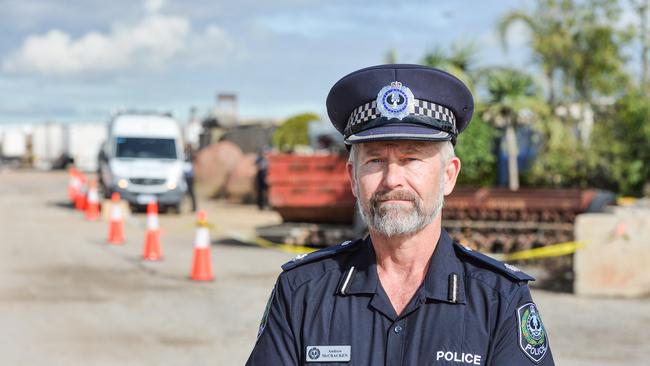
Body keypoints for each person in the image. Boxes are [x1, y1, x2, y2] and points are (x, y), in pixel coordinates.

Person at [246, 64, 554, 365]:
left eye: (411, 159)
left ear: (448, 175)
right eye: (376, 160)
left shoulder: (498, 299)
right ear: (353, 178)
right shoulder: (303, 292)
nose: (392, 178)